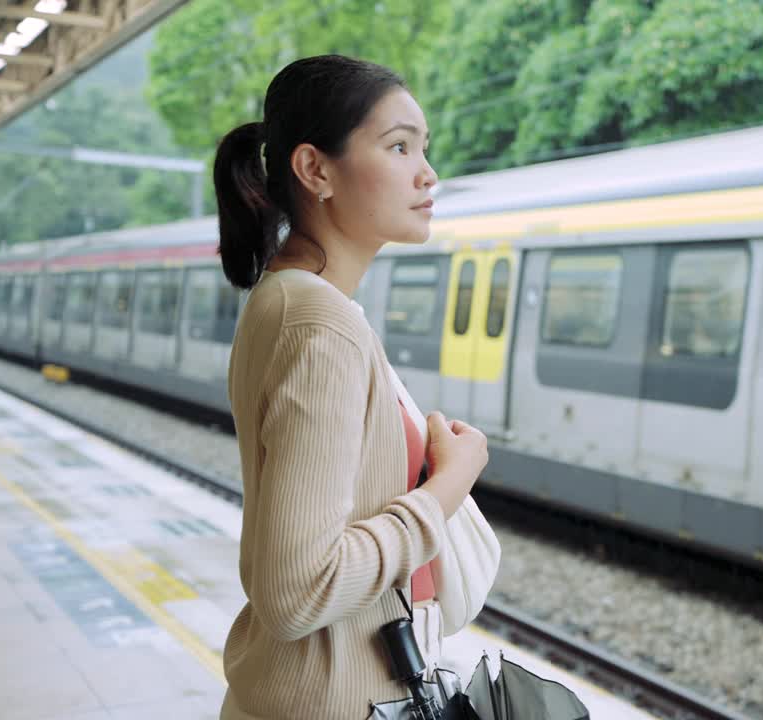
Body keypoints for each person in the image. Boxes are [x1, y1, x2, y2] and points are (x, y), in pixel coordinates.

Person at [213, 55, 493, 719]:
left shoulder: (293, 302)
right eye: (398, 146)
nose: (428, 174)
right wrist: (449, 485)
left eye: (424, 148)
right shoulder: (318, 324)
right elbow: (296, 592)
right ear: (315, 170)